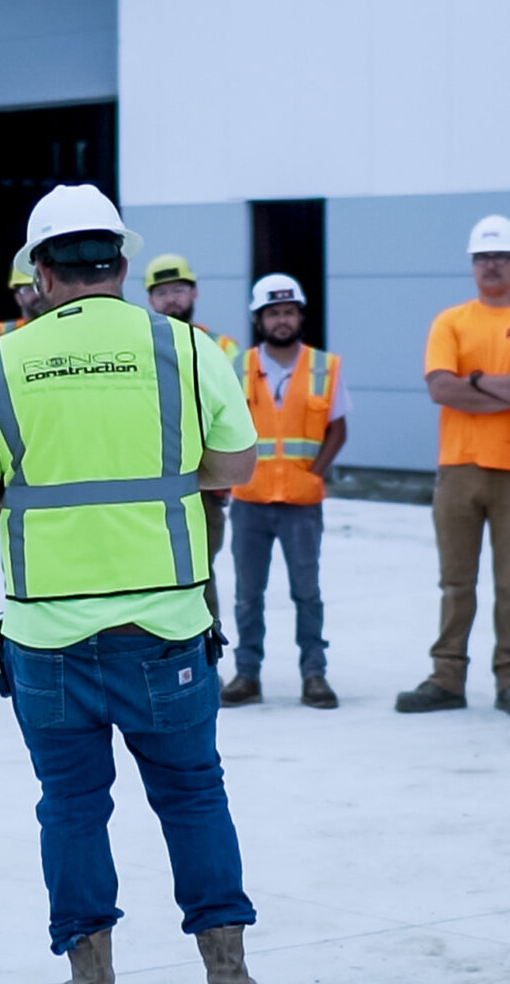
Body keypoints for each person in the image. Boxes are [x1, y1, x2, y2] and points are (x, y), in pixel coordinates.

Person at [0, 184, 259, 984]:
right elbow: (236, 466)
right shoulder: (188, 350)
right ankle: (227, 970)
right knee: (193, 797)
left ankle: (92, 974)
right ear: (120, 263)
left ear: (41, 272)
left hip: (47, 641)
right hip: (167, 629)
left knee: (73, 808)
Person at [394, 215, 510, 718]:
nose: (491, 265)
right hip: (458, 468)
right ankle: (447, 677)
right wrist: (504, 387)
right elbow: (439, 388)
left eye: (501, 256)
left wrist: (476, 384)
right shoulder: (451, 321)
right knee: (456, 583)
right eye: (483, 257)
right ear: (472, 265)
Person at [219, 273, 348, 710]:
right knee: (248, 595)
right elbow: (221, 427)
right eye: (273, 313)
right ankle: (247, 675)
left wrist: (315, 472)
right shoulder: (237, 367)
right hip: (250, 501)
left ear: (300, 316)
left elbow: (338, 428)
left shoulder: (323, 367)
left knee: (306, 593)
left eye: (288, 311)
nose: (281, 320)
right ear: (259, 320)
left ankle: (314, 675)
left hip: (301, 503)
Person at [145, 252, 241, 621]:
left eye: (179, 289)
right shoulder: (139, 346)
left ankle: (203, 665)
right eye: (162, 292)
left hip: (202, 485)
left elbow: (234, 417)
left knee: (198, 574)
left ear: (195, 293)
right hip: (148, 482)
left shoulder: (224, 348)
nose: (171, 299)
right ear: (150, 300)